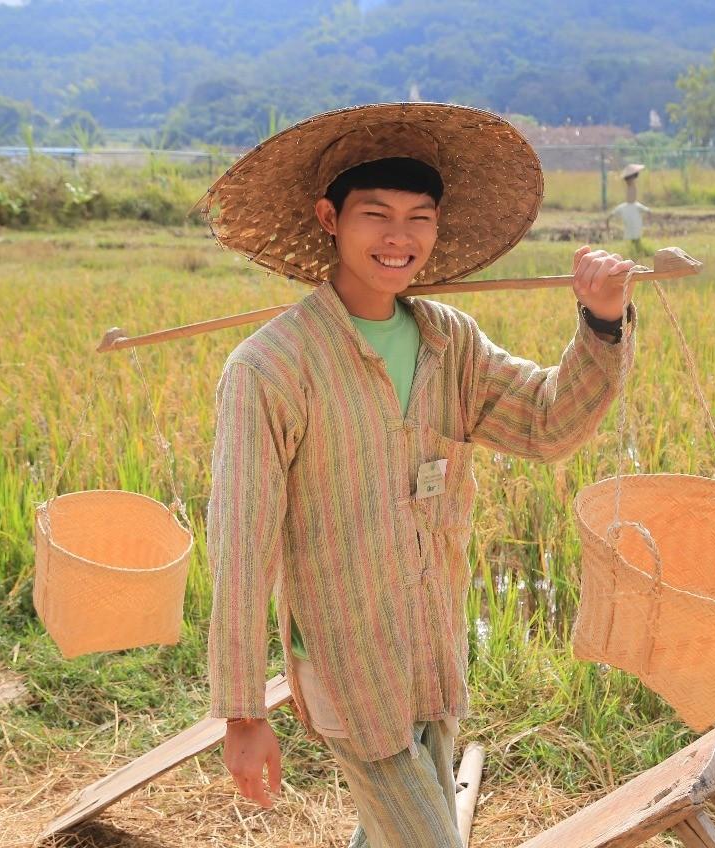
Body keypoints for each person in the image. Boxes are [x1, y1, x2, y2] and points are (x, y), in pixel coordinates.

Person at [200, 102, 640, 848]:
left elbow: (547, 423)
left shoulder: (450, 340)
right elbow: (241, 547)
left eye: (419, 217)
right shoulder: (272, 368)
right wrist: (244, 715)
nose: (399, 237)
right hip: (350, 664)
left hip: (431, 648)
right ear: (328, 219)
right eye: (375, 214)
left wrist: (601, 320)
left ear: (437, 229)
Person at [607, 162, 650, 258]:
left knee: (635, 231)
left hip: (632, 206)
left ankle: (637, 248)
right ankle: (635, 249)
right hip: (631, 207)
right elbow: (631, 199)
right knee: (633, 230)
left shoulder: (631, 184)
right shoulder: (631, 183)